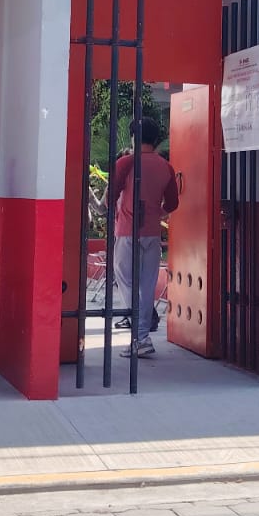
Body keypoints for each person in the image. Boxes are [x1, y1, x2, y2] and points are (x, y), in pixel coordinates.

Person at [107, 116, 179, 359]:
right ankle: (143, 338)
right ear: (156, 139)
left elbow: (110, 196)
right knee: (147, 286)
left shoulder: (126, 162)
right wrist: (156, 212)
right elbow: (173, 204)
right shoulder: (165, 166)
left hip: (127, 230)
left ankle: (138, 334)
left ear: (133, 137)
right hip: (152, 233)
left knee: (125, 281)